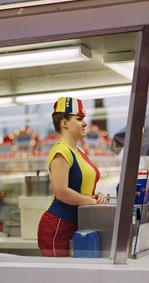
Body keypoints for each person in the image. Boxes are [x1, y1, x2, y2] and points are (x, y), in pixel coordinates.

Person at [37, 97, 108, 257]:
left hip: (78, 223)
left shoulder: (79, 151)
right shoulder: (61, 151)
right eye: (79, 119)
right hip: (58, 226)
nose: (84, 123)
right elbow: (61, 192)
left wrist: (96, 197)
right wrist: (92, 202)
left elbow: (81, 187)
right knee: (60, 278)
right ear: (64, 123)